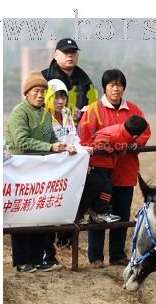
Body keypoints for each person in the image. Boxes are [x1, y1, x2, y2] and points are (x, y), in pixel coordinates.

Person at [6, 71, 78, 272]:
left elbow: (50, 139)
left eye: (43, 92)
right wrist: (50, 148)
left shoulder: (45, 115)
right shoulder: (20, 113)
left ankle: (38, 259)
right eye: (36, 91)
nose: (39, 95)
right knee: (21, 216)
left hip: (39, 172)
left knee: (39, 213)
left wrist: (64, 146)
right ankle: (21, 261)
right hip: (20, 172)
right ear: (27, 93)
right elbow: (21, 141)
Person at [78, 68, 151, 267]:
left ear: (124, 88)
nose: (116, 89)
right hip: (100, 172)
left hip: (124, 172)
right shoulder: (93, 110)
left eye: (119, 85)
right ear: (105, 87)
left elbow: (145, 131)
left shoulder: (134, 109)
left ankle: (118, 255)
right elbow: (84, 136)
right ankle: (96, 257)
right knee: (98, 213)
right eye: (111, 85)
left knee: (121, 213)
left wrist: (137, 142)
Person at [46, 79, 108, 226]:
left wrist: (82, 152)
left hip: (70, 162)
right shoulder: (43, 116)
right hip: (53, 166)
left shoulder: (67, 113)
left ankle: (78, 214)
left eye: (63, 97)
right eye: (56, 97)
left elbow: (74, 137)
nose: (60, 101)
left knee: (96, 181)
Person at [41, 38, 94, 124]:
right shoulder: (43, 78)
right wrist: (67, 111)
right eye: (66, 52)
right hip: (50, 128)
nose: (70, 55)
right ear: (55, 55)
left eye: (73, 52)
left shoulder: (85, 80)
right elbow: (37, 105)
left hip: (78, 130)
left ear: (77, 56)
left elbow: (92, 103)